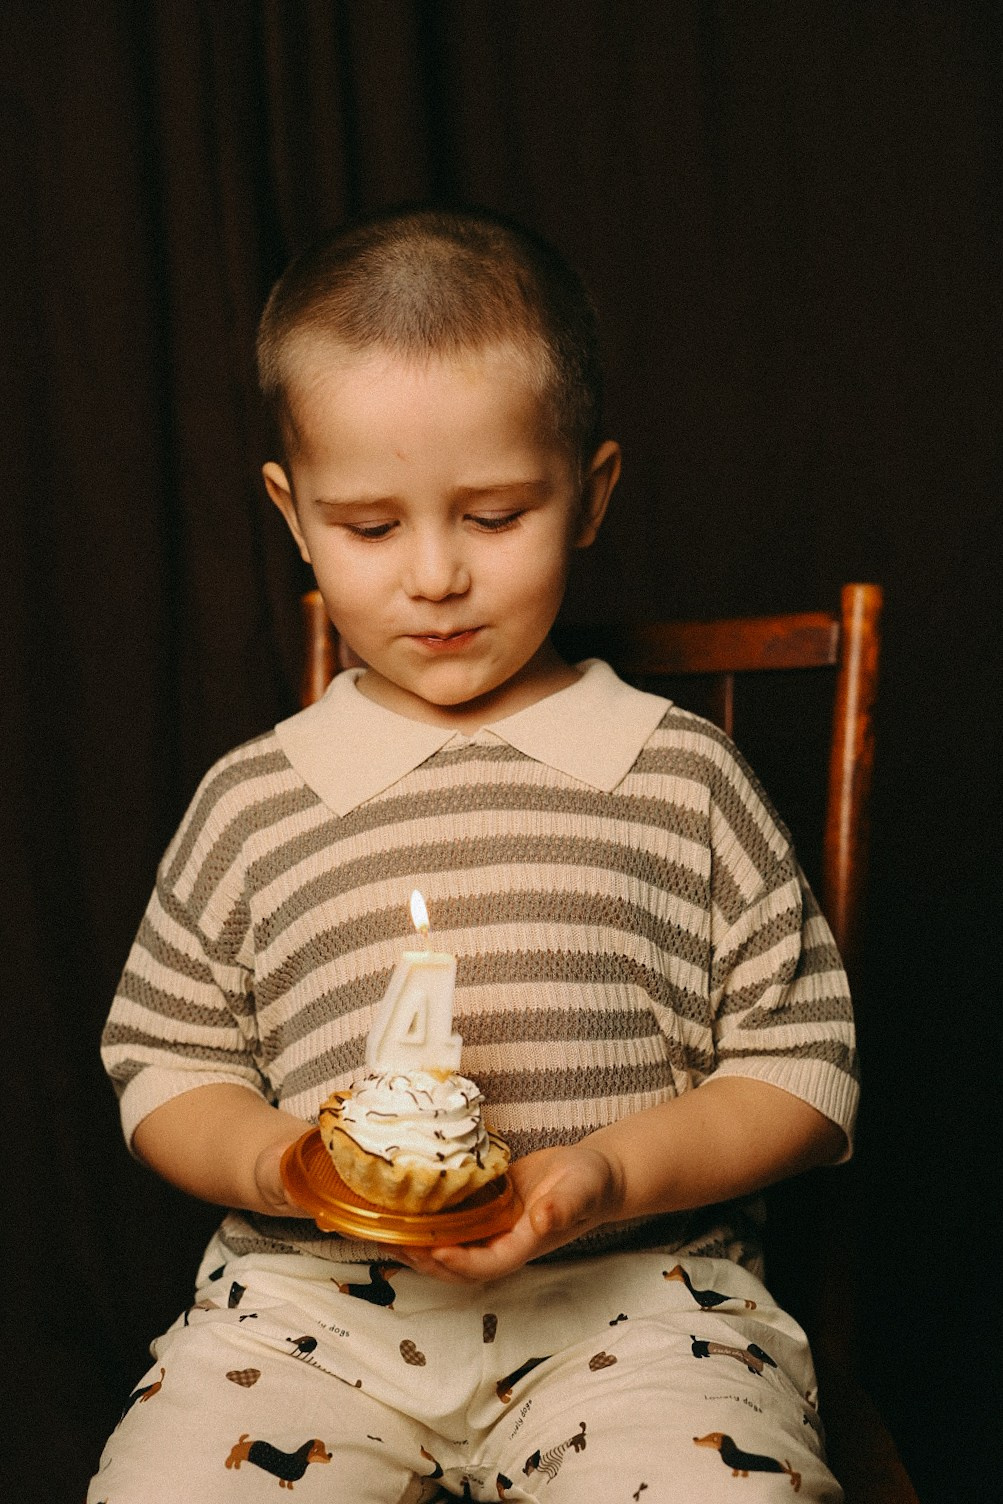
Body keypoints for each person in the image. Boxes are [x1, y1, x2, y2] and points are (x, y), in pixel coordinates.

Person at [92, 208, 858, 1503]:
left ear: (592, 491)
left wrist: (608, 1174)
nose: (435, 575)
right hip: (305, 1322)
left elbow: (806, 1072)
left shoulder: (677, 776)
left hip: (641, 1319)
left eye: (495, 514)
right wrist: (279, 1160)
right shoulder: (256, 799)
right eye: (372, 528)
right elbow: (165, 1067)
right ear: (293, 514)